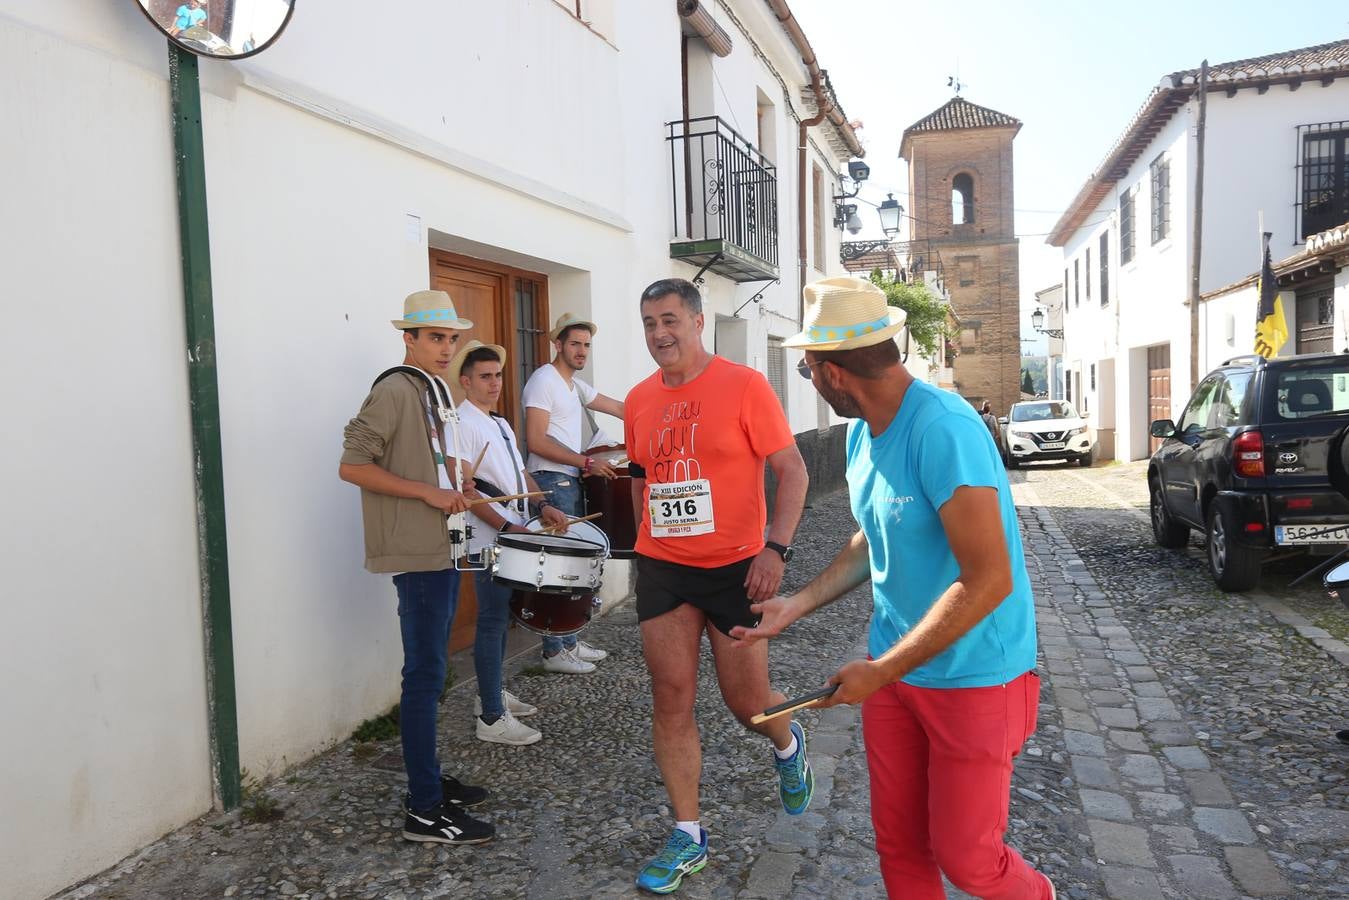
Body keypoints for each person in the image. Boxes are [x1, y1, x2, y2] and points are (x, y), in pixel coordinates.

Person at [732, 276, 1054, 899]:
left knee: (969, 860)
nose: (811, 381)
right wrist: (796, 604)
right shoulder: (861, 434)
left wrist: (882, 670)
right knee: (900, 846)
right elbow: (875, 533)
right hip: (896, 672)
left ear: (833, 374)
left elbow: (988, 581)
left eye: (807, 370)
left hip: (976, 676)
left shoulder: (944, 430)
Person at [625, 278, 810, 895]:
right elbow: (642, 476)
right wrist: (644, 539)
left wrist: (774, 549)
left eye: (670, 320)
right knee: (671, 696)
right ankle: (688, 833)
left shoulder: (745, 386)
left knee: (747, 705)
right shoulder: (638, 399)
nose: (660, 334)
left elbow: (792, 470)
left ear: (699, 322)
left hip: (737, 569)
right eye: (650, 323)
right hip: (663, 567)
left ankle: (786, 742)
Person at [339, 290, 495, 846]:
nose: (446, 347)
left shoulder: (432, 391)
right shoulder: (394, 388)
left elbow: (429, 459)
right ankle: (425, 811)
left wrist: (458, 483)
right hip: (419, 550)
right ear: (409, 338)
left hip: (443, 546)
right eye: (435, 338)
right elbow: (353, 465)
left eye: (451, 338)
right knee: (425, 676)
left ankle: (426, 783)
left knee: (433, 674)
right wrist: (429, 495)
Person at [449, 340, 570, 746]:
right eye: (485, 376)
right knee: (491, 622)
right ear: (466, 382)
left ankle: (493, 691)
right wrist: (506, 526)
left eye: (498, 375)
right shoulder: (462, 424)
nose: (495, 382)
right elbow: (470, 492)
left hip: (512, 534)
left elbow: (520, 476)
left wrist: (543, 505)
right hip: (489, 540)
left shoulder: (498, 423)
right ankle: (490, 716)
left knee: (503, 620)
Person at [523, 312, 625, 674]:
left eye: (586, 345)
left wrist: (656, 416)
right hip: (551, 480)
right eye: (575, 344)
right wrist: (585, 462)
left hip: (568, 478)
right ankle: (553, 649)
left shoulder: (574, 385)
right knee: (557, 564)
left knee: (573, 564)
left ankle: (568, 639)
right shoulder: (543, 380)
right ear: (558, 345)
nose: (582, 351)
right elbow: (536, 440)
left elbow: (617, 407)